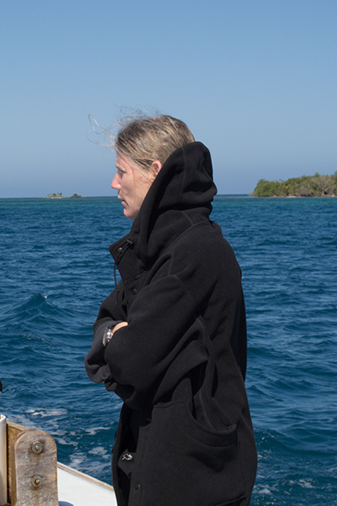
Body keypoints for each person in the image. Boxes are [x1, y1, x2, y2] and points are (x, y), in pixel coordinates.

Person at [85, 115, 257, 505]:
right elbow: (106, 323)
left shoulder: (194, 252)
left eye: (120, 171)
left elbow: (129, 360)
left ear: (154, 172)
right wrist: (114, 334)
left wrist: (114, 337)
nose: (114, 184)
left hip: (194, 474)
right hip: (165, 455)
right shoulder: (160, 249)